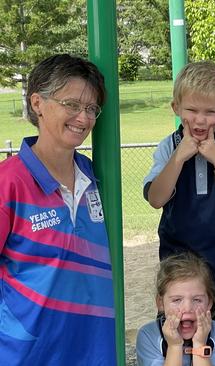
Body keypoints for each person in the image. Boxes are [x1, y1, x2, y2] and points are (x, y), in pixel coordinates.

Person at [0, 54, 115, 365]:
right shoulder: (8, 182)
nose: (83, 118)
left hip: (95, 351)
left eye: (91, 108)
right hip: (26, 355)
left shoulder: (94, 176)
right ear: (38, 103)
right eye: (72, 105)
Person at [143, 61, 215, 360]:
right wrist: (178, 159)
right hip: (179, 265)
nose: (200, 119)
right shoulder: (169, 146)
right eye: (192, 110)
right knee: (178, 335)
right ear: (176, 107)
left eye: (210, 112)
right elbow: (156, 198)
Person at [136, 251, 215, 366]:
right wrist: (174, 346)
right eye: (177, 300)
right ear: (161, 303)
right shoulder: (149, 335)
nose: (187, 308)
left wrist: (200, 345)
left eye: (197, 300)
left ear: (209, 303)